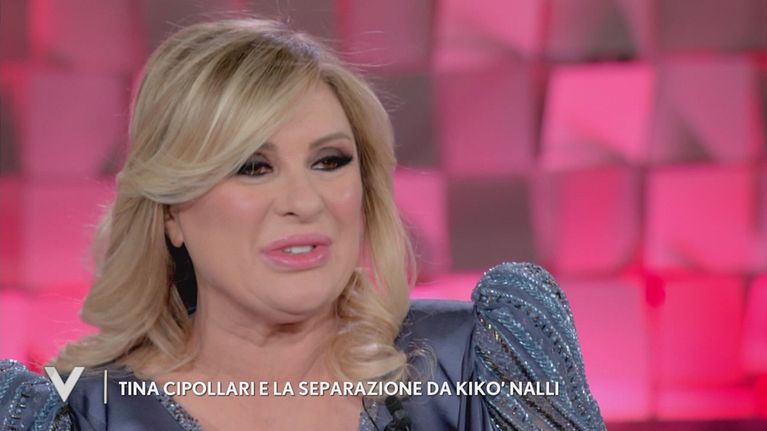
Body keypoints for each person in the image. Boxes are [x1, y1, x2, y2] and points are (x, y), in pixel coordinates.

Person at [0, 18, 606, 430]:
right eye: (253, 166)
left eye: (329, 161)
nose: (304, 200)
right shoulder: (84, 415)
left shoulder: (479, 364)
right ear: (172, 214)